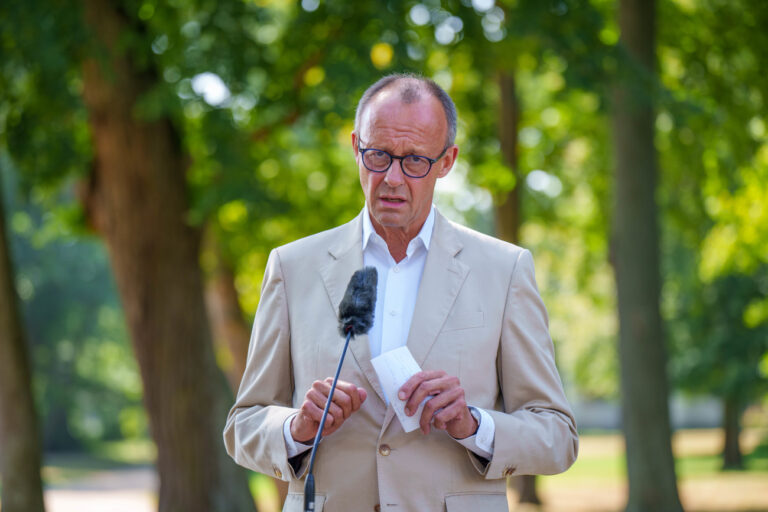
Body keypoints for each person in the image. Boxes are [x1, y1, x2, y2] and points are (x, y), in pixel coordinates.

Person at [223, 74, 578, 512]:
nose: (391, 178)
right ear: (355, 146)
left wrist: (473, 425)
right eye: (377, 156)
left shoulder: (505, 270)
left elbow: (557, 436)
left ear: (447, 161)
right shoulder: (292, 267)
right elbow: (244, 425)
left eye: (413, 161)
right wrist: (296, 428)